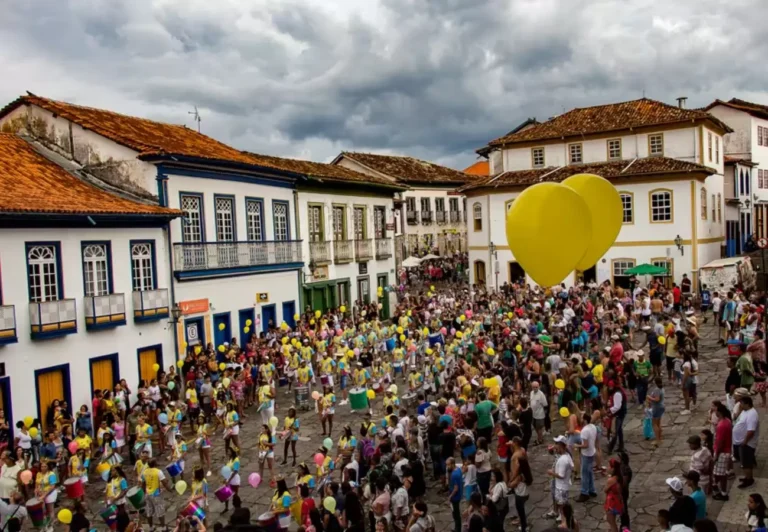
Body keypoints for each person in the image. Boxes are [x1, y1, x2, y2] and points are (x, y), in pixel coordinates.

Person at [732, 396, 759, 489]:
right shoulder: (744, 411)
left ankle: (749, 480)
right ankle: (747, 477)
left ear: (747, 403)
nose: (740, 405)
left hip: (747, 443)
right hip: (739, 441)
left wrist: (745, 441)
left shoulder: (752, 415)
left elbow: (751, 431)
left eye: (741, 403)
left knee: (746, 463)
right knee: (743, 461)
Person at [546, 436, 573, 522]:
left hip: (561, 484)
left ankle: (563, 517)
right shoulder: (564, 455)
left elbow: (561, 475)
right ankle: (559, 513)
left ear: (561, 445)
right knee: (558, 498)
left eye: (557, 444)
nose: (555, 446)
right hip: (559, 482)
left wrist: (552, 473)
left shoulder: (563, 459)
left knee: (562, 501)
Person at [141, 458, 172, 530]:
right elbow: (164, 483)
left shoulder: (144, 472)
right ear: (155, 464)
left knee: (149, 511)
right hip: (156, 494)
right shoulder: (158, 472)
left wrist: (144, 492)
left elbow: (143, 484)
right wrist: (170, 490)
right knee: (160, 511)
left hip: (147, 493)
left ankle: (151, 527)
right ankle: (163, 527)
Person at [576, 412, 597, 501]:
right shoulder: (593, 427)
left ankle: (584, 492)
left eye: (581, 417)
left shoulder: (584, 431)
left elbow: (585, 445)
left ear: (584, 420)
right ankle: (592, 490)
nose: (580, 419)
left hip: (586, 453)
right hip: (592, 452)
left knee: (584, 474)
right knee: (590, 472)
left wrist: (576, 446)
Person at [604, 458, 624, 532]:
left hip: (611, 503)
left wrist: (608, 479)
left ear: (613, 469)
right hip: (617, 502)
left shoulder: (611, 480)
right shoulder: (619, 477)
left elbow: (605, 490)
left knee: (611, 522)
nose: (607, 467)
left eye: (609, 466)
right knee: (613, 521)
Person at [446, 457, 463, 532]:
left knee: (456, 514)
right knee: (455, 513)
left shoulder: (454, 474)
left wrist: (450, 496)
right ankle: (456, 528)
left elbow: (456, 488)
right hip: (458, 495)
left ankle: (458, 529)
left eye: (448, 465)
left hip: (455, 497)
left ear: (452, 464)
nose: (447, 467)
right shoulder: (458, 469)